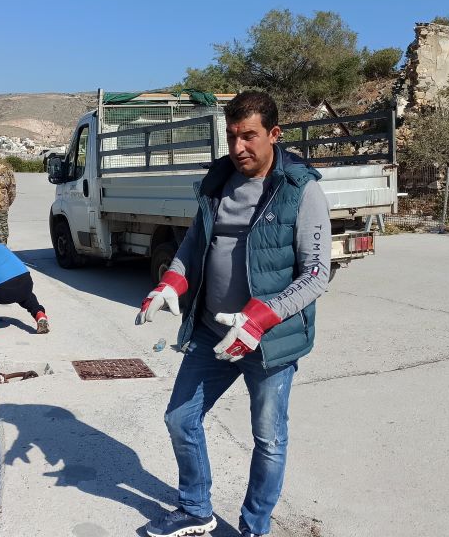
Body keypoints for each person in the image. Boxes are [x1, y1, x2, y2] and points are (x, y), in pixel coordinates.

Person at [135, 91, 331, 537]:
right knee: (180, 418)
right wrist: (172, 282)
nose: (238, 148)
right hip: (212, 332)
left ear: (274, 134)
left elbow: (316, 274)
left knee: (269, 439)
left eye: (249, 137)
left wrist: (260, 318)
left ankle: (254, 527)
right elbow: (193, 244)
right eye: (231, 137)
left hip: (268, 341)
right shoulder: (218, 180)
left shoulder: (301, 190)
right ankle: (195, 510)